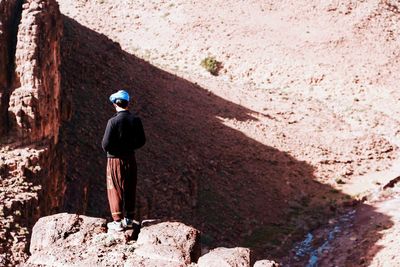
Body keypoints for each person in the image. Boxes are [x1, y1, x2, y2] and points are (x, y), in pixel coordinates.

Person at [102, 89, 146, 231]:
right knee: (129, 186)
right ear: (128, 103)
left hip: (114, 160)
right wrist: (129, 147)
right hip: (130, 158)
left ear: (115, 104)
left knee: (115, 188)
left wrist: (116, 150)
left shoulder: (113, 121)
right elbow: (141, 141)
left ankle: (117, 221)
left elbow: (106, 144)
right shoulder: (136, 120)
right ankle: (129, 219)